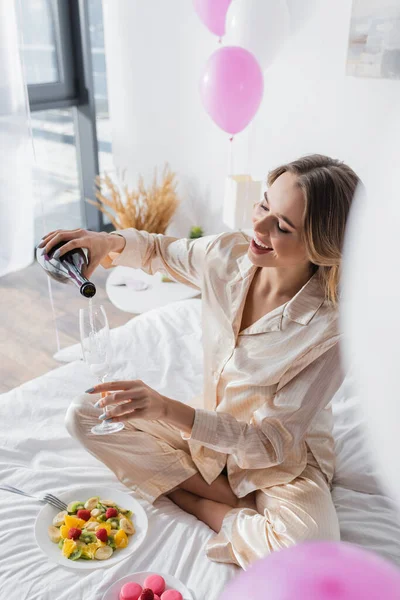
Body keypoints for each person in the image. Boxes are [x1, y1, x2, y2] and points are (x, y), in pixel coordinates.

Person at [39, 153, 360, 569]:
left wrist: (168, 410)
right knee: (83, 413)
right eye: (264, 205)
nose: (257, 228)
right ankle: (227, 496)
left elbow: (272, 442)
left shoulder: (333, 328)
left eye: (281, 226)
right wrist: (107, 243)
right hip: (211, 434)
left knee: (311, 551)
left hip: (284, 459)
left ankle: (194, 498)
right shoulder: (227, 255)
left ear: (320, 246)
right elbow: (159, 251)